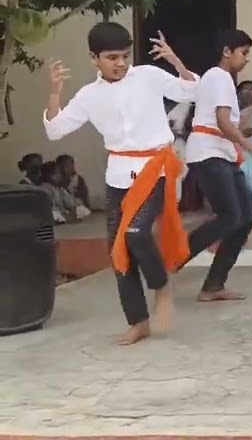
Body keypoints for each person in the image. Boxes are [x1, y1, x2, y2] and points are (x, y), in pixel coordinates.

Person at [43, 22, 198, 345]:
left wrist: (175, 62)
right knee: (119, 251)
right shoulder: (88, 95)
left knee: (136, 233)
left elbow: (191, 91)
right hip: (118, 174)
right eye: (112, 57)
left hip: (154, 167)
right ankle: (138, 322)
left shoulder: (148, 77)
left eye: (125, 56)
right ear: (93, 58)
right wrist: (55, 93)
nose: (120, 63)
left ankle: (162, 286)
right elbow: (55, 130)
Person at [183, 29, 252, 302]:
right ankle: (172, 260)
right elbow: (224, 125)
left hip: (222, 153)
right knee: (230, 216)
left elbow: (235, 127)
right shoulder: (219, 77)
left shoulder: (221, 80)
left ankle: (214, 285)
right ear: (227, 51)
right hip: (209, 153)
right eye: (244, 52)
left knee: (244, 217)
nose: (246, 59)